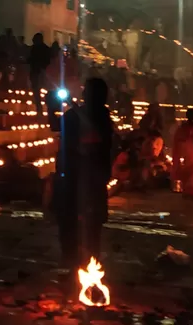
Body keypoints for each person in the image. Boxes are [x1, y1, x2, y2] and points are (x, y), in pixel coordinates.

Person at [53, 78, 114, 269]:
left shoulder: (98, 119)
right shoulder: (94, 117)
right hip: (82, 176)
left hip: (82, 176)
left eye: (87, 91)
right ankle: (85, 258)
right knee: (85, 221)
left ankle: (77, 258)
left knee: (79, 220)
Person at [29, 33, 51, 112]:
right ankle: (40, 108)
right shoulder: (36, 48)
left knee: (41, 91)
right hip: (37, 72)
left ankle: (43, 108)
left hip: (41, 72)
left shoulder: (42, 49)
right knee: (37, 91)